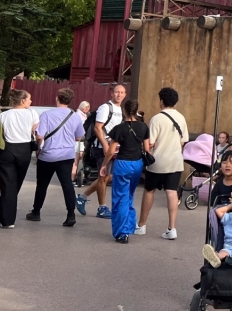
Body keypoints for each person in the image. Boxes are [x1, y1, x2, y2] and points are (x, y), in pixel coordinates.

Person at [27, 88, 85, 227]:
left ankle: (36, 212)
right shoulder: (75, 115)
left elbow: (40, 135)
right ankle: (71, 214)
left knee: (42, 185)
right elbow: (79, 136)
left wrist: (38, 148)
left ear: (57, 98)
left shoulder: (47, 115)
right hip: (66, 155)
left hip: (49, 155)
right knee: (67, 185)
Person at [136, 87, 189, 240]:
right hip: (176, 161)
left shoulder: (156, 119)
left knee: (149, 190)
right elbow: (183, 141)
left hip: (158, 161)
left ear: (161, 101)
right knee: (172, 192)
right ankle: (171, 228)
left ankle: (142, 225)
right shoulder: (181, 118)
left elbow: (150, 142)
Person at [100, 99, 150, 244]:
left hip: (123, 163)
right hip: (137, 164)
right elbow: (147, 149)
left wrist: (104, 165)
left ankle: (122, 232)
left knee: (119, 197)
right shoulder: (143, 127)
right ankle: (129, 226)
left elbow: (111, 151)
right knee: (129, 195)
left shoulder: (119, 128)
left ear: (124, 111)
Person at [78, 83, 126, 219]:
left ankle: (82, 196)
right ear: (112, 93)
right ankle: (101, 208)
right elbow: (97, 128)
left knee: (106, 177)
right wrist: (105, 145)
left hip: (114, 148)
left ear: (125, 95)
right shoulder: (106, 108)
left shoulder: (119, 109)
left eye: (122, 93)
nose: (119, 95)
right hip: (101, 147)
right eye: (117, 92)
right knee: (103, 177)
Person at [0, 89, 39, 229]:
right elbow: (35, 128)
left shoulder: (4, 115)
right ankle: (7, 218)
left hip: (7, 149)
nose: (31, 101)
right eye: (29, 99)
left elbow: (0, 131)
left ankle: (2, 212)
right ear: (23, 100)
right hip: (24, 149)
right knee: (16, 183)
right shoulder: (32, 113)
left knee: (8, 184)